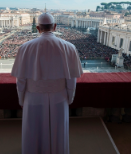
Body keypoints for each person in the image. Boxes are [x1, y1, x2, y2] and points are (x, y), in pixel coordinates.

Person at [11, 13, 83, 154]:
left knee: (33, 130)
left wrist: (21, 99)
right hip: (59, 96)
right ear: (55, 26)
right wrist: (70, 98)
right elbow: (71, 79)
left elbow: (20, 80)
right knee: (58, 130)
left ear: (38, 28)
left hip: (32, 97)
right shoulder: (69, 47)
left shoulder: (24, 48)